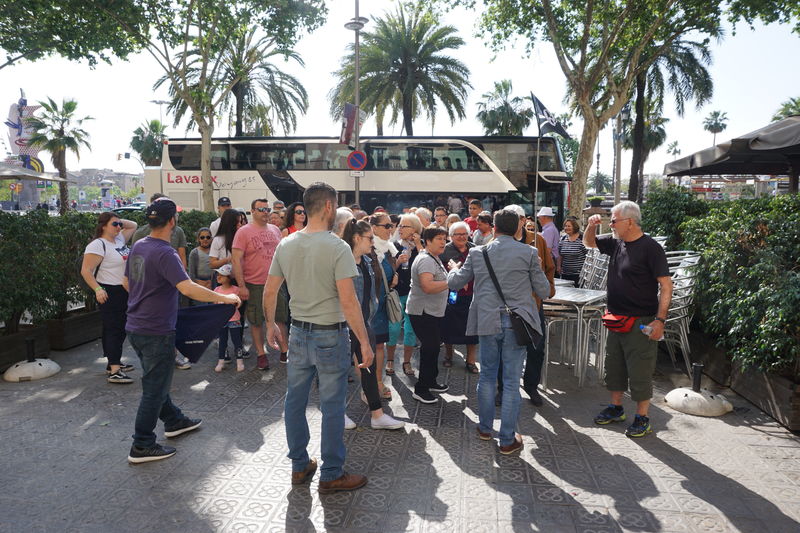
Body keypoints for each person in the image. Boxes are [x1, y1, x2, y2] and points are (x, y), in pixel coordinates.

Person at [263, 182, 373, 493]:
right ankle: (331, 473)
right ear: (328, 206)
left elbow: (270, 290)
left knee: (294, 401)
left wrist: (271, 324)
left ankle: (299, 466)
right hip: (330, 335)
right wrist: (364, 342)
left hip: (298, 332)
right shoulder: (337, 247)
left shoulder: (286, 243)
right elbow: (349, 301)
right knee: (332, 406)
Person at [125, 198, 241, 464]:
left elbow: (126, 282)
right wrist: (224, 298)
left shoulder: (139, 245)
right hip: (156, 330)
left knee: (156, 380)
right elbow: (187, 287)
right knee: (154, 389)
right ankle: (141, 444)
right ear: (172, 221)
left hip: (136, 325)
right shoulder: (165, 252)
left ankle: (174, 420)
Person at [446, 209, 550, 454]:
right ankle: (507, 439)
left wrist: (452, 268)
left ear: (494, 227)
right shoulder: (529, 253)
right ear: (517, 229)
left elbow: (455, 283)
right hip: (517, 322)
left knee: (487, 376)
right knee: (512, 382)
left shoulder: (477, 252)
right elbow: (544, 291)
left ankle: (484, 428)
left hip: (487, 320)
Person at [585, 201, 672, 438]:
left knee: (640, 371)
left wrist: (660, 320)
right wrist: (591, 226)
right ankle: (616, 408)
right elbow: (589, 243)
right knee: (614, 367)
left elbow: (666, 286)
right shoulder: (616, 243)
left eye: (614, 221)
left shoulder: (651, 248)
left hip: (641, 321)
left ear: (630, 222)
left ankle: (642, 417)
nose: (611, 225)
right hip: (616, 318)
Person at [341, 219, 405, 430]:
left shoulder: (368, 261)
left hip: (365, 322)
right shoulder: (342, 264)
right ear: (356, 238)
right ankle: (337, 413)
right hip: (345, 325)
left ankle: (377, 415)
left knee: (369, 370)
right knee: (339, 371)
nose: (372, 242)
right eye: (369, 238)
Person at [505, 204, 556, 406]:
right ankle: (503, 388)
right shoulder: (499, 241)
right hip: (507, 305)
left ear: (524, 220)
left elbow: (550, 268)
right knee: (505, 347)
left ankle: (531, 386)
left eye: (518, 218)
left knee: (537, 346)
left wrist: (548, 289)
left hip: (533, 302)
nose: (515, 222)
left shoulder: (538, 240)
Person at [80, 212, 138, 384]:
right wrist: (97, 289)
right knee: (114, 329)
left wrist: (117, 219)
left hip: (124, 290)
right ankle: (114, 370)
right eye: (114, 224)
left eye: (119, 224)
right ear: (103, 226)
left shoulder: (119, 239)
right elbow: (86, 271)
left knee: (118, 328)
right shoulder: (98, 245)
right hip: (109, 291)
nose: (119, 227)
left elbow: (133, 225)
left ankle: (113, 361)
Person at [232, 198, 281, 371]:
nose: (265, 212)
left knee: (281, 318)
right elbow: (236, 260)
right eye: (261, 209)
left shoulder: (275, 230)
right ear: (252, 211)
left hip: (276, 282)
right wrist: (241, 286)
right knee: (256, 321)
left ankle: (284, 351)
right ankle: (261, 354)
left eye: (267, 209)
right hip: (254, 284)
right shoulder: (243, 232)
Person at [406, 225, 450, 404]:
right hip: (423, 312)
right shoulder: (425, 260)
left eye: (444, 238)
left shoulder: (434, 257)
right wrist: (452, 281)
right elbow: (428, 286)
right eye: (439, 239)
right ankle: (421, 389)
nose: (443, 242)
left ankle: (431, 381)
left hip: (433, 311)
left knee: (433, 347)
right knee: (429, 348)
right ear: (428, 241)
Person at [440, 222, 479, 372]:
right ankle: (448, 355)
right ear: (451, 236)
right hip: (451, 294)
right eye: (458, 234)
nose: (462, 237)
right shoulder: (445, 250)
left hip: (472, 294)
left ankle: (471, 360)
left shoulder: (475, 249)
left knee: (472, 328)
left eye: (464, 234)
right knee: (448, 326)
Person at [388, 213, 423, 377]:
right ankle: (389, 360)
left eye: (404, 226)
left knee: (410, 331)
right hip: (397, 293)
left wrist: (418, 244)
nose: (400, 229)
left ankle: (407, 362)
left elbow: (426, 262)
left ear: (415, 229)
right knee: (393, 328)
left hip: (414, 294)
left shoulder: (420, 247)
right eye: (400, 225)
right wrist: (398, 262)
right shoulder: (393, 245)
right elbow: (388, 270)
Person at [369, 213, 398, 389]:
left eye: (391, 226)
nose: (390, 229)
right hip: (368, 306)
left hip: (381, 306)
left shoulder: (389, 248)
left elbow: (389, 272)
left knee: (380, 345)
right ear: (374, 228)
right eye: (386, 226)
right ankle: (368, 385)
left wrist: (394, 277)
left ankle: (378, 382)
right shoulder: (368, 249)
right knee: (366, 347)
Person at [212, 264, 244, 372]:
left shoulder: (236, 290)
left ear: (229, 278)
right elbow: (215, 305)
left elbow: (240, 303)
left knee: (237, 341)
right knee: (222, 341)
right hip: (222, 320)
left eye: (222, 275)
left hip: (234, 319)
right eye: (218, 275)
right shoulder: (216, 289)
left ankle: (240, 361)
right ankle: (221, 361)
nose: (218, 277)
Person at [558, 217, 588, 285]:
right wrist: (558, 266)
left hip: (578, 274)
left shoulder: (582, 239)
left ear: (574, 227)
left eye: (569, 226)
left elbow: (588, 255)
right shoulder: (563, 239)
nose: (566, 228)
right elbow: (560, 255)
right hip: (565, 274)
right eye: (565, 226)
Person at [188, 227, 214, 301]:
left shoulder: (214, 252)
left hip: (212, 285)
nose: (205, 239)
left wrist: (211, 283)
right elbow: (191, 273)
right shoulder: (194, 253)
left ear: (211, 239)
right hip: (199, 285)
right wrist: (196, 284)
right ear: (198, 239)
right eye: (202, 237)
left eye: (208, 237)